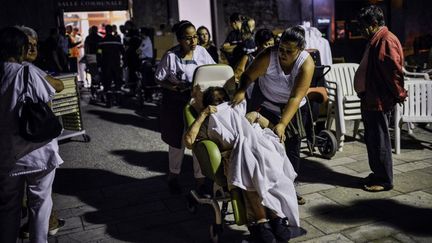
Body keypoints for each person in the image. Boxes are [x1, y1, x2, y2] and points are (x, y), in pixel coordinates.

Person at [184, 87, 301, 243]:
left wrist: (258, 118)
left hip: (259, 148)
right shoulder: (207, 123)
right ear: (208, 105)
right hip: (234, 156)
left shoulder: (241, 111)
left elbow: (274, 130)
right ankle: (261, 221)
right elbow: (189, 142)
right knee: (249, 169)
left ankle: (276, 217)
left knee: (269, 167)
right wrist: (203, 114)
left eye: (222, 100)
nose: (220, 104)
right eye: (215, 101)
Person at [231, 26, 315, 205]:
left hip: (293, 106)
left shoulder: (306, 64)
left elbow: (295, 97)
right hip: (266, 101)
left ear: (300, 50)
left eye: (289, 51)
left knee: (291, 144)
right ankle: (264, 184)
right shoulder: (269, 56)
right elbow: (247, 76)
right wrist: (241, 90)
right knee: (262, 140)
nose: (282, 53)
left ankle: (290, 186)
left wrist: (283, 123)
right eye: (281, 48)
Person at [0, 26, 64, 243]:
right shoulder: (25, 72)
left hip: (7, 153)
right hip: (37, 152)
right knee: (40, 203)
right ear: (21, 48)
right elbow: (47, 98)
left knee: (8, 206)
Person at [155, 20, 215, 194]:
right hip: (176, 103)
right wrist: (174, 87)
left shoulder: (202, 52)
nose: (193, 41)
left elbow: (211, 70)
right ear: (180, 40)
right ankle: (173, 177)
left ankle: (200, 181)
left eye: (195, 37)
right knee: (177, 142)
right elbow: (159, 78)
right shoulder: (171, 56)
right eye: (188, 38)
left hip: (197, 103)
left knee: (198, 140)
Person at [17, 25, 66, 239]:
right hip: (34, 147)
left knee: (18, 200)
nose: (32, 50)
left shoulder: (28, 69)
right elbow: (57, 86)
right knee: (39, 198)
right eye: (28, 46)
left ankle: (46, 223)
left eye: (35, 45)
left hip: (18, 148)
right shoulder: (27, 71)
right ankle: (44, 228)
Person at [355, 5, 407, 192]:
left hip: (378, 100)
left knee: (379, 140)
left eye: (363, 26)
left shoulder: (385, 40)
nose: (360, 30)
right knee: (373, 139)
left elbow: (393, 71)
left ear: (374, 24)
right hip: (371, 98)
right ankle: (378, 173)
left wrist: (400, 93)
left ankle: (384, 179)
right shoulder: (376, 39)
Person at [97, 24, 125, 107]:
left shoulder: (102, 41)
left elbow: (98, 53)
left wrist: (99, 64)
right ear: (112, 31)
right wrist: (124, 62)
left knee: (107, 83)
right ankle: (118, 101)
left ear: (105, 30)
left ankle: (109, 102)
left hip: (105, 65)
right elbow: (123, 52)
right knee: (117, 82)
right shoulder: (117, 41)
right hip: (116, 65)